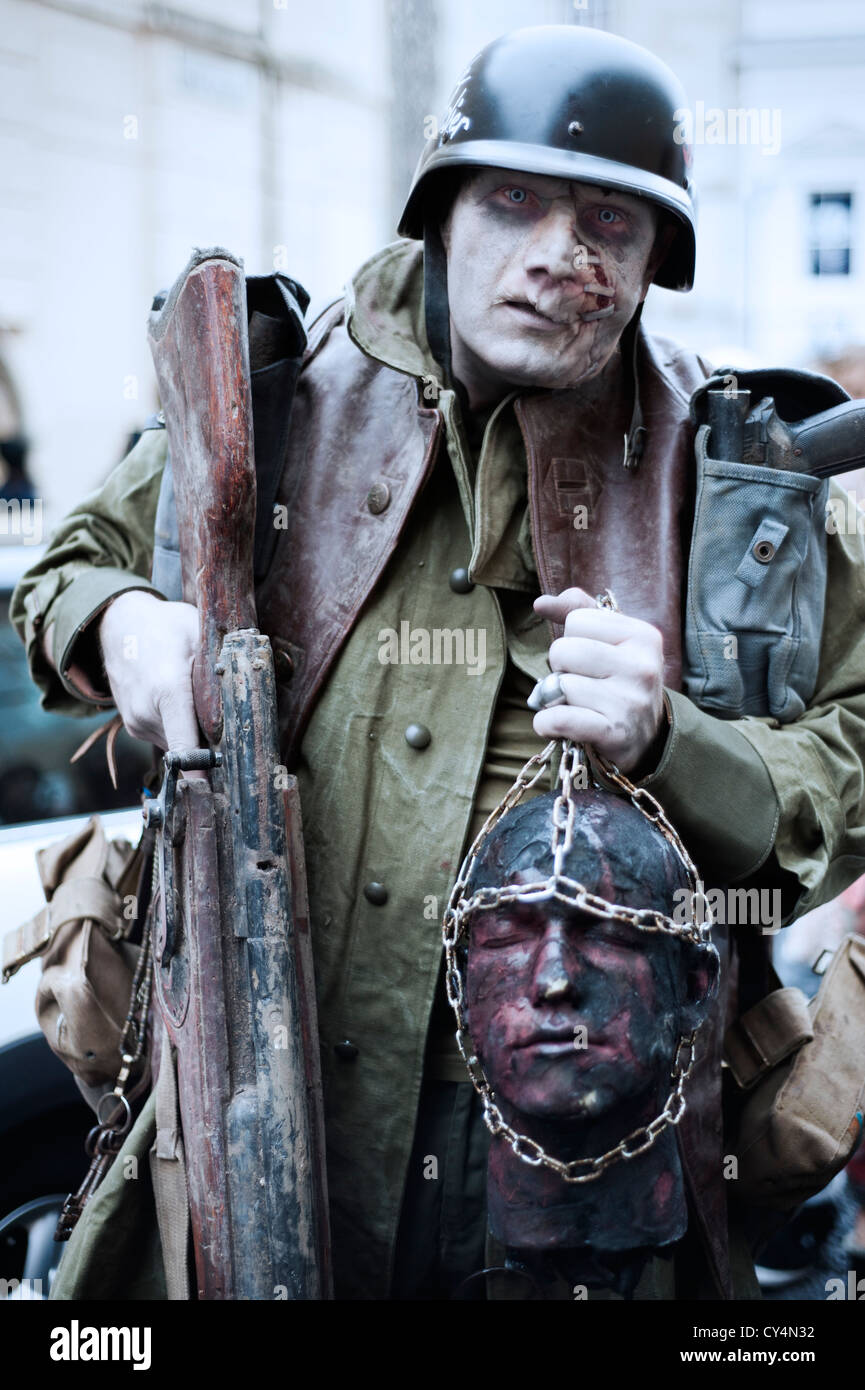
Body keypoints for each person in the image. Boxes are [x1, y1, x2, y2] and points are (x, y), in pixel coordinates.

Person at [11, 24, 865, 1301]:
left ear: (649, 264)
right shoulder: (272, 392)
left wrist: (679, 742)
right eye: (511, 201)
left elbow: (851, 746)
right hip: (258, 1137)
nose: (553, 258)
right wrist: (120, 623)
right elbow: (66, 565)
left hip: (587, 1197)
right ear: (441, 212)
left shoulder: (736, 475)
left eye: (608, 226)